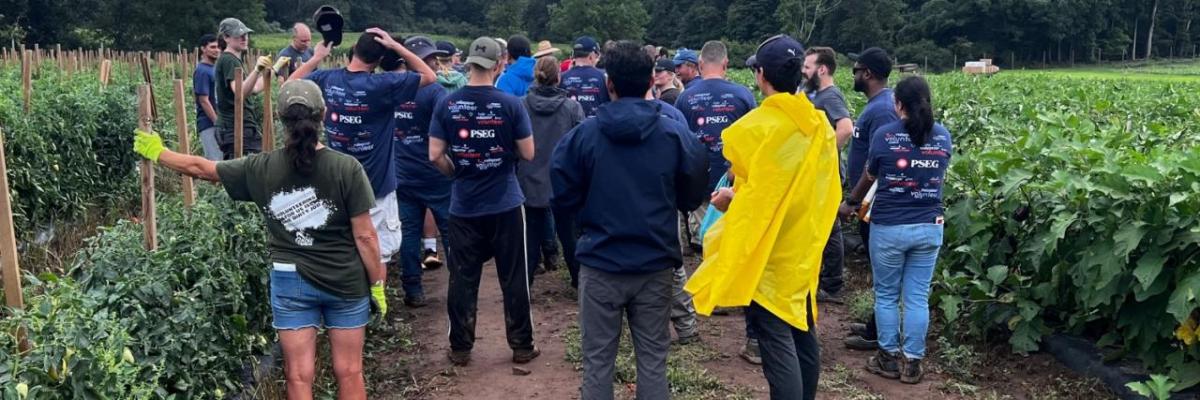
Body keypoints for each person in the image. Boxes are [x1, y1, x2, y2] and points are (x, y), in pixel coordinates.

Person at [132, 79, 387, 400]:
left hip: (290, 282)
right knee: (349, 370)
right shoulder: (346, 168)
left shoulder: (261, 167)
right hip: (346, 280)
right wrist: (376, 282)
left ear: (280, 119)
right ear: (324, 114)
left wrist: (159, 152)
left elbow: (202, 168)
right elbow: (365, 236)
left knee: (297, 374)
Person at [686, 34, 841, 400]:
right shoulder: (819, 126)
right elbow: (818, 188)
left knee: (775, 338)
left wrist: (729, 200)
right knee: (803, 329)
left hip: (768, 254)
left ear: (760, 76)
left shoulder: (754, 129)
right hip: (803, 247)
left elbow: (758, 200)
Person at [553, 41, 708, 400]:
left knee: (597, 361)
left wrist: (584, 220)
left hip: (600, 262)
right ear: (652, 79)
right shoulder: (674, 135)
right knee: (653, 358)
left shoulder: (582, 137)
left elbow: (561, 196)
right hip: (654, 263)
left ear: (609, 84)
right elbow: (692, 191)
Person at [287, 28, 437, 304]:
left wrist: (317, 56)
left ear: (353, 49)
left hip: (338, 182)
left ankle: (349, 299)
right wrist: (396, 45)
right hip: (376, 183)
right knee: (377, 248)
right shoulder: (384, 85)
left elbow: (289, 87)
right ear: (379, 59)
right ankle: (375, 301)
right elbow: (430, 76)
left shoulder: (326, 79)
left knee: (346, 244)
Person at [428, 37, 539, 367]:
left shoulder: (447, 104)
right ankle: (521, 345)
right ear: (499, 64)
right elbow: (529, 153)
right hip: (505, 202)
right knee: (514, 277)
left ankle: (460, 348)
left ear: (470, 64)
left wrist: (457, 172)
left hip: (463, 205)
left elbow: (434, 154)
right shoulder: (511, 104)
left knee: (462, 277)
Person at [838, 75, 951, 385]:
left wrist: (850, 202)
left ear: (898, 104)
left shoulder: (886, 136)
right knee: (917, 297)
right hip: (929, 227)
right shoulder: (943, 137)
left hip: (888, 226)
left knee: (886, 295)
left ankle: (887, 359)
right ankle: (913, 363)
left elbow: (869, 175)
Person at [383, 35, 451, 308]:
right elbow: (447, 130)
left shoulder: (392, 88)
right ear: (424, 60)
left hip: (402, 172)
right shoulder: (435, 92)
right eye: (432, 58)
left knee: (409, 232)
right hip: (434, 172)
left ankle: (413, 290)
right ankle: (460, 284)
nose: (436, 61)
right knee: (450, 230)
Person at [674, 40, 757, 258]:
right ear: (726, 63)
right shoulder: (743, 95)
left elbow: (679, 141)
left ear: (700, 63)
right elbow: (755, 140)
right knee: (735, 245)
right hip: (737, 185)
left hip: (700, 183)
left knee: (708, 245)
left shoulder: (685, 97)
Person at [843, 47, 899, 352]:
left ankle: (878, 332)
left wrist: (857, 202)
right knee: (879, 270)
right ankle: (874, 325)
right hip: (867, 202)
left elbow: (880, 162)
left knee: (882, 273)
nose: (853, 74)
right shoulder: (878, 106)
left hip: (874, 204)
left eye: (856, 69)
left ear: (869, 74)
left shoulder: (883, 110)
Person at [519, 55, 584, 286]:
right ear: (559, 77)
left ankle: (524, 286)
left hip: (528, 180)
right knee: (570, 237)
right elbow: (581, 147)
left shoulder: (521, 105)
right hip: (564, 182)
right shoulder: (572, 108)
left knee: (529, 239)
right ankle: (579, 282)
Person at [803, 46, 855, 305]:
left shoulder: (830, 96)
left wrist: (820, 154)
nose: (804, 70)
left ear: (821, 69)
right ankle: (826, 279)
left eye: (808, 66)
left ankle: (833, 285)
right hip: (822, 173)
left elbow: (845, 128)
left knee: (830, 227)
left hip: (827, 173)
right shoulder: (816, 94)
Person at [214, 18, 271, 160]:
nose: (244, 38)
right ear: (226, 37)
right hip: (236, 128)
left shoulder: (233, 59)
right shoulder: (229, 60)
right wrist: (257, 70)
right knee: (251, 172)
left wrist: (273, 71)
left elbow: (255, 88)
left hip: (240, 127)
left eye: (246, 34)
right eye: (238, 35)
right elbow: (240, 93)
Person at [560, 36, 610, 118]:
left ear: (574, 55)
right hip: (596, 128)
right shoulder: (604, 76)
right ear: (592, 55)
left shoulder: (562, 77)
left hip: (571, 129)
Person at [193, 34, 223, 161]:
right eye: (212, 47)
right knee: (215, 162)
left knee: (223, 161)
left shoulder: (213, 69)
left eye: (218, 47)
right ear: (203, 49)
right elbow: (203, 100)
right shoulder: (202, 71)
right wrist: (217, 122)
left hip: (218, 122)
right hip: (208, 123)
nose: (217, 50)